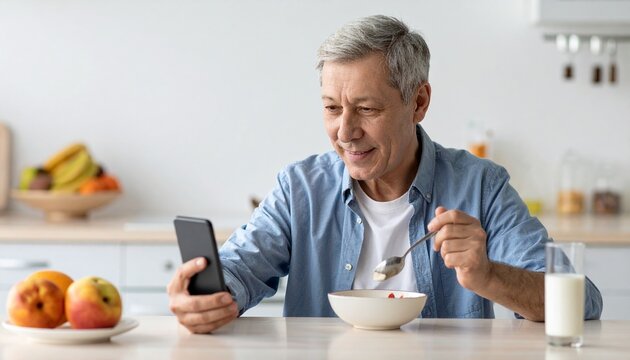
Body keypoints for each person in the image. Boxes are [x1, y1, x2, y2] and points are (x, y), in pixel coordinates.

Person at [167, 15, 603, 333]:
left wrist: (488, 275)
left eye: (367, 109)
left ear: (418, 102)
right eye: (332, 108)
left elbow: (581, 302)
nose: (345, 132)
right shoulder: (300, 188)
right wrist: (204, 295)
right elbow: (239, 269)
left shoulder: (481, 186)